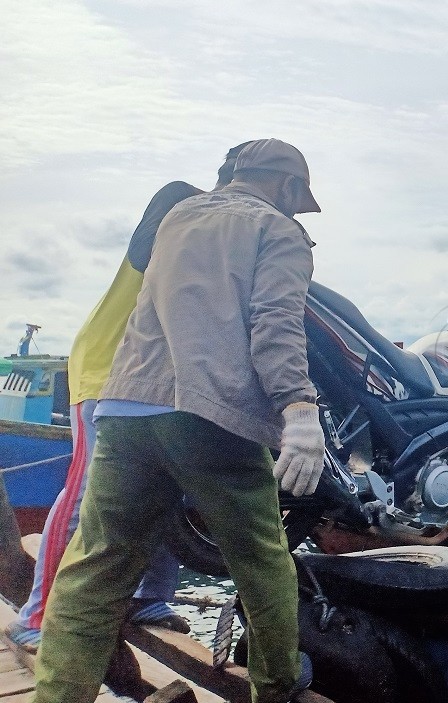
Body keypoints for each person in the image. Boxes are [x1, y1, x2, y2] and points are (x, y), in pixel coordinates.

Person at [33, 138, 324, 703]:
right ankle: (278, 683)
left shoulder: (178, 217)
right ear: (288, 187)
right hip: (210, 415)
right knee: (262, 560)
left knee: (96, 566)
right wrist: (300, 409)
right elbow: (276, 327)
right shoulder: (280, 233)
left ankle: (57, 693)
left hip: (123, 409)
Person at [5, 144, 252, 654]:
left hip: (162, 381)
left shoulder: (239, 236)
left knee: (170, 492)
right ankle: (38, 615)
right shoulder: (182, 203)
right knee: (89, 495)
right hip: (106, 367)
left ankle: (150, 597)